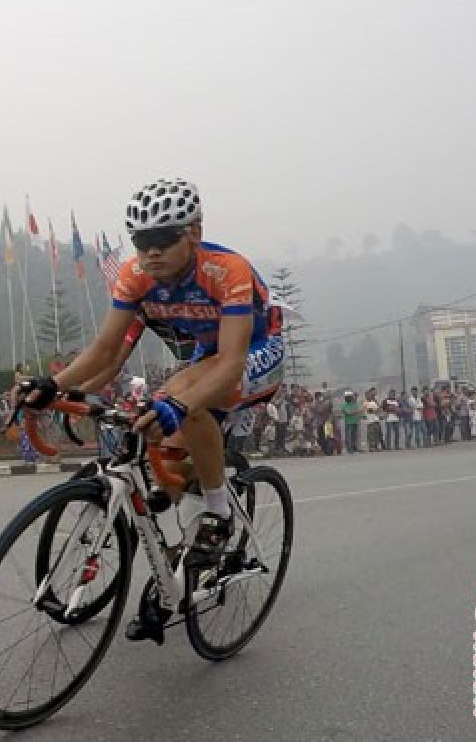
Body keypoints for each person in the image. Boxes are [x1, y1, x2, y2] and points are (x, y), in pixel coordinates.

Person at [15, 179, 284, 644]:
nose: (151, 253)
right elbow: (105, 352)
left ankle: (218, 513)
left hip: (256, 353)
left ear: (194, 233)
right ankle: (184, 505)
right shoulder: (136, 278)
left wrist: (181, 404)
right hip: (207, 357)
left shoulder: (227, 270)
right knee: (164, 426)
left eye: (163, 241)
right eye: (142, 243)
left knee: (181, 394)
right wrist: (54, 386)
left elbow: (234, 361)